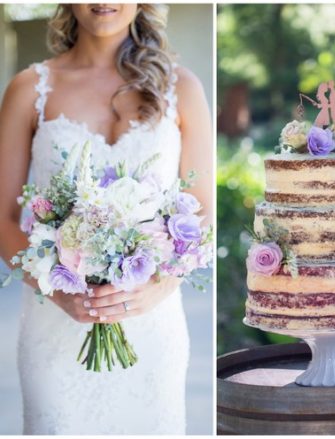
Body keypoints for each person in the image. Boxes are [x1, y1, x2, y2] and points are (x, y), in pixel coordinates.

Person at [0, 4, 212, 434]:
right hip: (53, 328)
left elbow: (202, 212)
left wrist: (159, 287)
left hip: (153, 326)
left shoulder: (182, 87)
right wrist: (56, 290)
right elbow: (1, 217)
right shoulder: (29, 89)